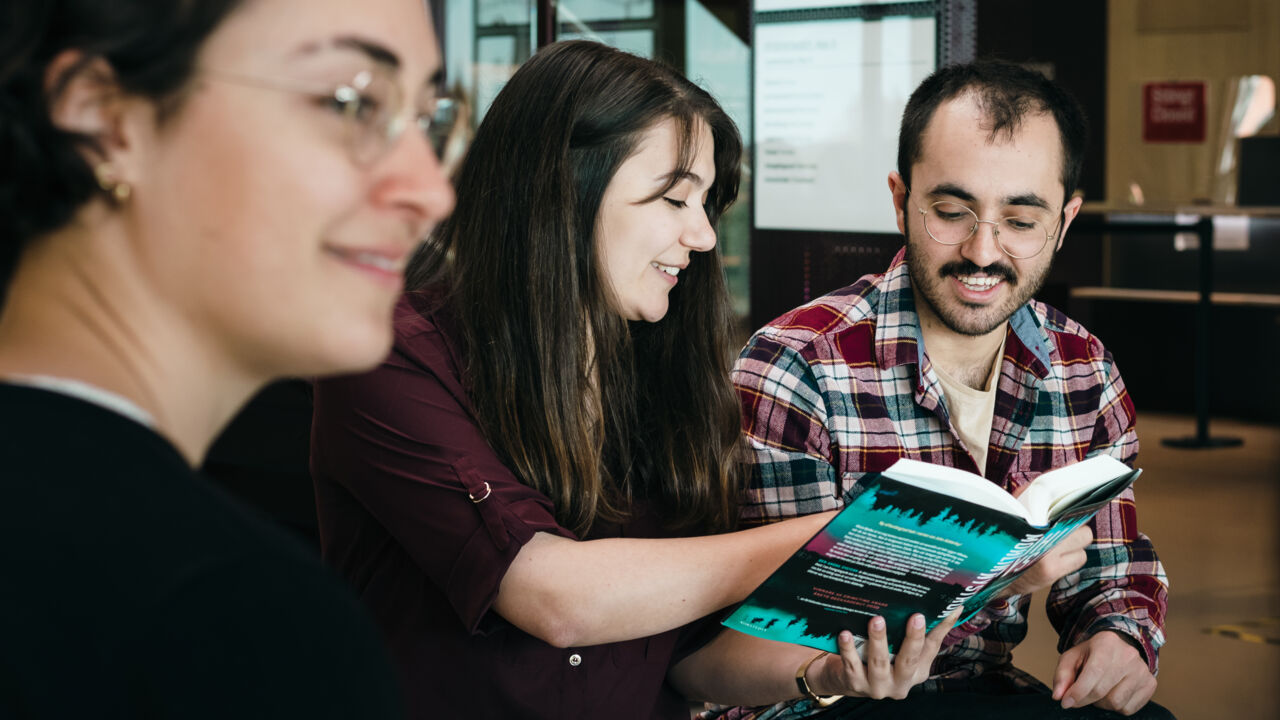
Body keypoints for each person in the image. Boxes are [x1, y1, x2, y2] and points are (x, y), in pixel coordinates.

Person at [309, 40, 958, 720]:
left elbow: (688, 661)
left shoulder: (663, 374)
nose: (704, 237)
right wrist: (838, 534)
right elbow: (555, 599)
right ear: (562, 191)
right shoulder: (390, 357)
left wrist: (825, 671)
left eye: (707, 204)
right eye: (675, 199)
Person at [0, 0, 455, 716]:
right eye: (351, 103)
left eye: (428, 120)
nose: (430, 191)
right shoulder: (231, 624)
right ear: (106, 116)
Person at [684, 61, 1172, 719]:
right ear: (899, 200)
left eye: (1022, 222)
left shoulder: (1082, 365)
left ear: (1064, 220)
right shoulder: (794, 369)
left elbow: (1114, 563)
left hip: (980, 694)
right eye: (950, 211)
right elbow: (746, 651)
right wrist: (993, 581)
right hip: (819, 707)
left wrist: (1118, 635)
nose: (982, 251)